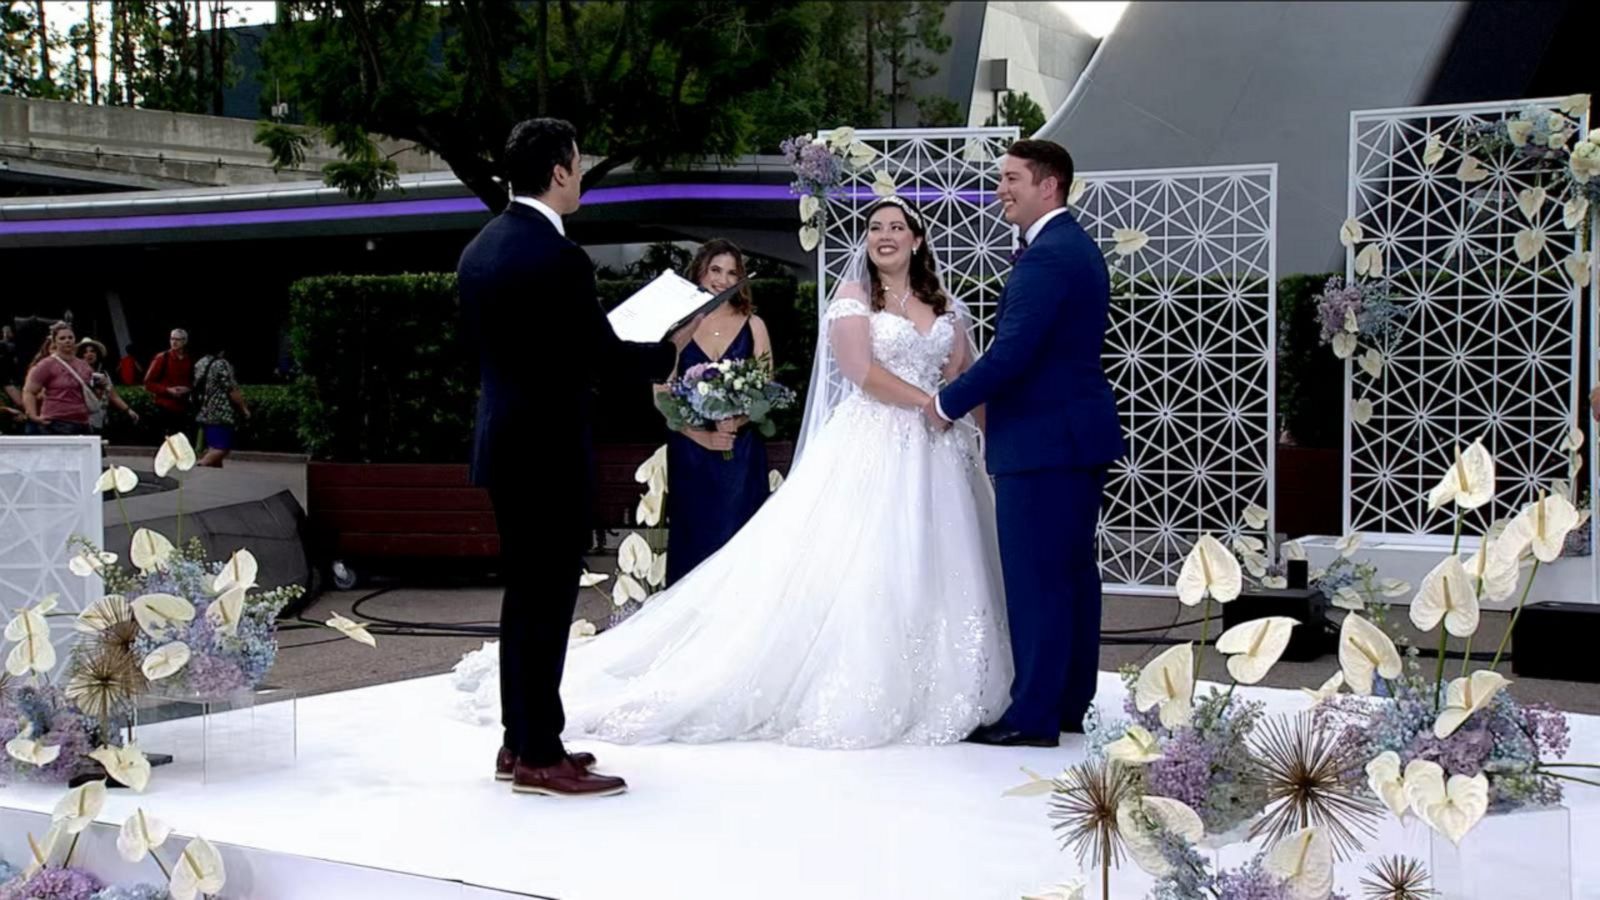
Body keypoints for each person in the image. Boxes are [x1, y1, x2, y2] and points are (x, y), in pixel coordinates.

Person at [455, 195, 1012, 751]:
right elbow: (861, 372)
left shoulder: (948, 309)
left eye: (897, 226)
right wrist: (930, 405)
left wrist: (976, 429)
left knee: (939, 558)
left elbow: (962, 371)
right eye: (874, 227)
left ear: (917, 240)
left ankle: (939, 678)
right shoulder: (852, 302)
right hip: (879, 442)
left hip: (938, 451)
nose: (884, 234)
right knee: (862, 561)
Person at [457, 117, 702, 799]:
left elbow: (535, 350)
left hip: (503, 442)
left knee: (525, 598)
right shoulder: (557, 257)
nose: (582, 174)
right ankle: (539, 754)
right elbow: (599, 356)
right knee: (547, 599)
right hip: (546, 449)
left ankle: (523, 740)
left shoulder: (480, 247)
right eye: (578, 163)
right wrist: (670, 347)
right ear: (560, 172)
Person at [926, 139, 1126, 747]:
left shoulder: (1049, 257)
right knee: (1068, 577)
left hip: (1045, 444)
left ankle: (1033, 716)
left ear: (1050, 184)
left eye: (1011, 178)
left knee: (1039, 580)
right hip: (1070, 439)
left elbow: (1013, 353)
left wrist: (944, 403)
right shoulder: (1073, 247)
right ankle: (1066, 702)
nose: (1000, 190)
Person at [661, 239, 773, 584]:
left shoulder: (754, 324)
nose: (723, 280)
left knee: (741, 542)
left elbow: (766, 392)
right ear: (699, 271)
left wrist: (734, 422)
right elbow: (661, 395)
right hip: (691, 453)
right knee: (696, 543)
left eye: (732, 272)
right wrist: (704, 437)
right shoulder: (675, 326)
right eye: (715, 270)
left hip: (740, 454)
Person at [22, 321, 99, 436]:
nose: (67, 340)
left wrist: (101, 384)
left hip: (83, 422)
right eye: (62, 338)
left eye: (70, 337)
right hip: (56, 422)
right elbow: (29, 391)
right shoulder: (46, 364)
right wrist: (33, 415)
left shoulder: (83, 365)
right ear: (54, 342)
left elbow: (91, 391)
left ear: (75, 340)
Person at [192, 344, 251, 467]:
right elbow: (231, 389)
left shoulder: (201, 363)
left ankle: (213, 470)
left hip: (205, 410)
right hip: (221, 412)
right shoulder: (221, 364)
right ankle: (202, 464)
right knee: (222, 447)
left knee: (214, 446)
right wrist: (244, 409)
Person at [76, 338, 140, 433]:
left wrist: (128, 410)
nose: (89, 354)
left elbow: (113, 396)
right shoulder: (75, 374)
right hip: (81, 421)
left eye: (92, 351)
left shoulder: (103, 374)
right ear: (80, 356)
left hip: (100, 420)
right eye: (85, 352)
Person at [144, 328, 195, 438]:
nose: (174, 342)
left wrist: (188, 389)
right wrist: (167, 390)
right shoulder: (162, 358)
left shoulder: (190, 359)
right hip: (165, 406)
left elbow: (194, 381)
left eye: (178, 339)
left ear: (185, 341)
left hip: (183, 406)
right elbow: (148, 383)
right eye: (172, 339)